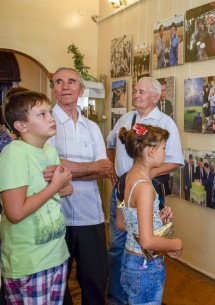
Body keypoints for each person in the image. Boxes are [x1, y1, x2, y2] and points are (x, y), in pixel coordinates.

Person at [106, 77, 183, 305]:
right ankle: (118, 297)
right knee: (116, 246)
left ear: (155, 97)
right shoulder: (126, 119)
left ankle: (131, 296)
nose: (136, 94)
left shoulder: (164, 123)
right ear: (150, 152)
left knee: (134, 242)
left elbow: (176, 161)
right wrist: (177, 244)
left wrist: (139, 177)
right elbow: (111, 144)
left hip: (139, 188)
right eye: (135, 90)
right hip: (123, 189)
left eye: (141, 91)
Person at [46, 67, 113, 305]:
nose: (65, 86)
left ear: (81, 89)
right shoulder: (46, 124)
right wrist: (90, 168)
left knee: (95, 282)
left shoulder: (92, 128)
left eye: (71, 82)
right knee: (58, 286)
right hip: (56, 217)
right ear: (53, 89)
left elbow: (105, 168)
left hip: (91, 216)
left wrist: (65, 171)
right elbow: (50, 167)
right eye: (59, 82)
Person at [0, 90, 73, 304]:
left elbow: (65, 191)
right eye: (42, 114)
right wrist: (56, 186)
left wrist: (63, 183)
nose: (51, 117)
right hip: (29, 262)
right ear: (21, 126)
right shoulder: (14, 153)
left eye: (50, 112)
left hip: (56, 254)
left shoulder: (49, 151)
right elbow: (15, 212)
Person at [116, 124, 183, 304]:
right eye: (163, 148)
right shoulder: (145, 187)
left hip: (130, 261)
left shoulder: (128, 178)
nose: (165, 153)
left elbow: (122, 223)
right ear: (151, 151)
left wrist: (155, 219)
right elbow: (147, 242)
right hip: (145, 268)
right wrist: (176, 244)